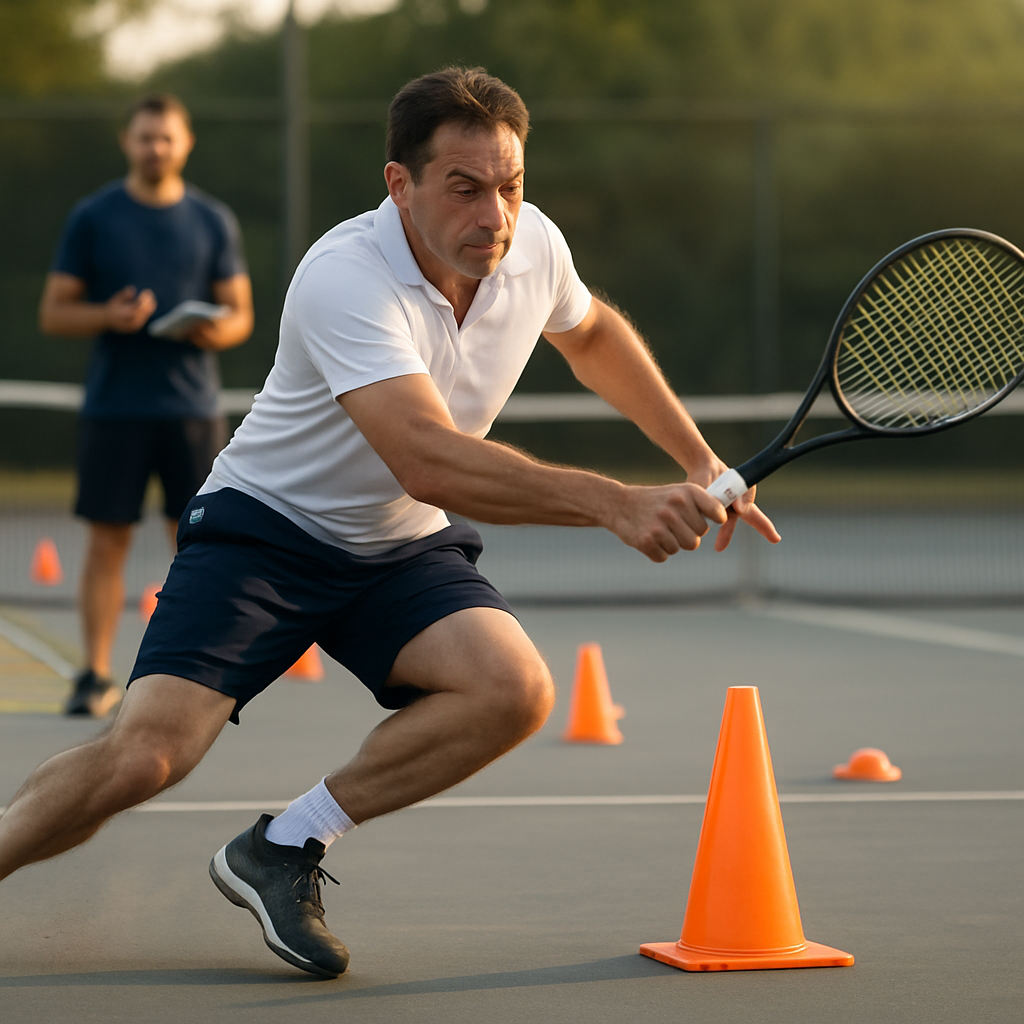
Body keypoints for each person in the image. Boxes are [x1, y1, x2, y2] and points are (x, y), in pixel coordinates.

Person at [1, 68, 779, 978]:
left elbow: (593, 333)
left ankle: (285, 847)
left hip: (398, 541)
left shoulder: (534, 250)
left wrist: (699, 461)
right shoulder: (344, 277)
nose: (495, 213)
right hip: (266, 530)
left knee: (512, 689)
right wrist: (615, 502)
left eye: (511, 185)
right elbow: (427, 455)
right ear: (399, 185)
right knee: (142, 759)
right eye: (465, 187)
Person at [37, 93, 254, 717]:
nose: (155, 147)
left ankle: (201, 676)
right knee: (107, 543)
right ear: (127, 142)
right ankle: (94, 674)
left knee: (200, 546)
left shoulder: (213, 220)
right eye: (144, 137)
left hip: (191, 410)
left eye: (166, 137)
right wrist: (110, 315)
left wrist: (213, 330)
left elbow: (239, 316)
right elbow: (54, 311)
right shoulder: (94, 216)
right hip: (115, 410)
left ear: (185, 144)